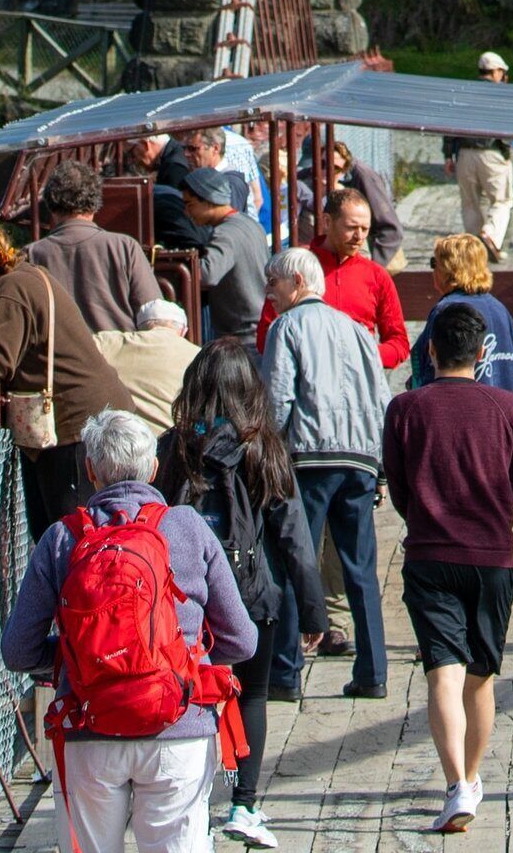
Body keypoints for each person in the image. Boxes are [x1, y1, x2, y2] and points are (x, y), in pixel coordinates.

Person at [1, 409, 257, 853]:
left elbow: (18, 652)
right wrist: (180, 658)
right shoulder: (189, 527)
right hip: (179, 724)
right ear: (155, 467)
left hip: (89, 723)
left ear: (90, 471)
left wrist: (77, 658)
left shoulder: (62, 538)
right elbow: (242, 640)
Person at [161, 342, 320, 848]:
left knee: (192, 697)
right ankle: (245, 805)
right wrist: (312, 608)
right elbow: (293, 533)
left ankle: (195, 803)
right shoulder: (265, 447)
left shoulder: (174, 447)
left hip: (186, 601)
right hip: (255, 598)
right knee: (251, 693)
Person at [384, 303, 513, 833]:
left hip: (429, 553)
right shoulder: (507, 408)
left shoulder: (405, 409)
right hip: (492, 555)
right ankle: (472, 774)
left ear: (431, 351)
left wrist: (425, 516)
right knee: (481, 679)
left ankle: (457, 786)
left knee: (441, 673)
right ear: (481, 352)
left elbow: (399, 487)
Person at [254, 245, 390, 701]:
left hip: (309, 460)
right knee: (361, 567)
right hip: (358, 458)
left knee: (297, 561)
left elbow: (277, 401)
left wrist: (265, 454)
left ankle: (287, 673)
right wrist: (379, 461)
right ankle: (373, 671)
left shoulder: (286, 327)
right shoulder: (355, 329)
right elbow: (380, 396)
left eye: (273, 282)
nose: (268, 293)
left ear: (296, 282)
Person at [0, 217, 136, 535]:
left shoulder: (10, 290)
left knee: (71, 535)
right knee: (91, 530)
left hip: (73, 428)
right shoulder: (31, 275)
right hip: (93, 415)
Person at [156, 124, 275, 338]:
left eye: (190, 204)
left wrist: (170, 267)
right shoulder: (249, 225)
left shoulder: (226, 233)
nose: (187, 212)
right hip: (255, 328)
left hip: (241, 334)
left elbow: (206, 275)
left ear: (208, 200)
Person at [29, 160, 161, 336]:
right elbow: (154, 314)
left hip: (56, 361)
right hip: (119, 358)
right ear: (95, 202)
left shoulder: (31, 255)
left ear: (50, 204)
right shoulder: (125, 247)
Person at [308, 182, 410, 370]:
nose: (359, 236)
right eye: (351, 227)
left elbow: (399, 344)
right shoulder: (299, 266)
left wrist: (365, 353)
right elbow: (268, 334)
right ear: (328, 222)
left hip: (360, 384)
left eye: (365, 229)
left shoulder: (376, 275)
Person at [421, 235, 513, 396]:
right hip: (500, 414)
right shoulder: (498, 308)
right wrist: (503, 391)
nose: (433, 270)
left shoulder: (446, 311)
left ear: (448, 269)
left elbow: (428, 365)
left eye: (434, 263)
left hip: (458, 412)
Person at [98, 301, 202, 433]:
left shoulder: (109, 343)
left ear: (138, 327)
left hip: (123, 441)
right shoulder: (199, 355)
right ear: (183, 331)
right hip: (176, 444)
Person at [447, 68, 513, 255]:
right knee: (502, 200)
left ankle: (473, 249)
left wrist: (448, 155)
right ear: (497, 72)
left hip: (464, 153)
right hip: (491, 152)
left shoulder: (464, 93)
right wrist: (506, 153)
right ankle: (490, 234)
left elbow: (449, 124)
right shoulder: (499, 94)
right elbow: (506, 125)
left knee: (470, 203)